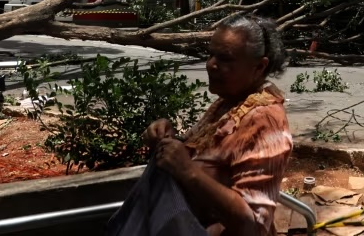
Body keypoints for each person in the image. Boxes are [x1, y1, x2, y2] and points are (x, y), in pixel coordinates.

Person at [109, 15, 293, 236]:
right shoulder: (229, 102)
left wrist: (187, 172)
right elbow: (206, 159)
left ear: (259, 67)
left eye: (225, 58)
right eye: (210, 54)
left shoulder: (264, 119)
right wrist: (168, 141)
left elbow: (253, 225)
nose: (211, 65)